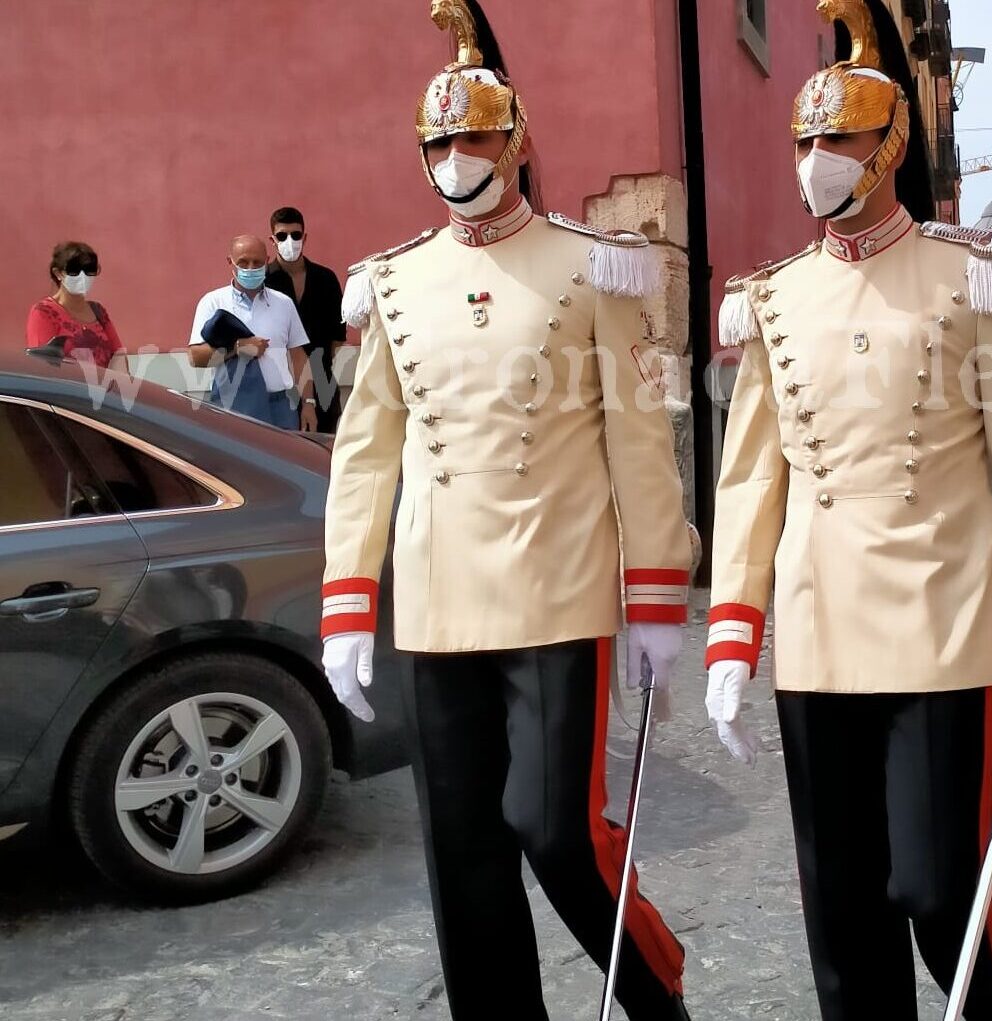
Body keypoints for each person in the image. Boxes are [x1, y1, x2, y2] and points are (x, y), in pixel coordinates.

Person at [318, 4, 691, 1019]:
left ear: (517, 139)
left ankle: (655, 995)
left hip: (556, 592)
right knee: (462, 848)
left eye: (473, 134)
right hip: (437, 602)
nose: (454, 155)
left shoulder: (590, 266)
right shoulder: (391, 283)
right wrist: (348, 604)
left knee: (553, 828)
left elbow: (637, 444)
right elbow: (365, 453)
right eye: (437, 139)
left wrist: (657, 591)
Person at [705, 2, 992, 1016]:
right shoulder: (773, 298)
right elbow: (749, 480)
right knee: (841, 909)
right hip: (818, 632)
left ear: (890, 145)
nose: (817, 159)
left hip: (939, 628)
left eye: (840, 138)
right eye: (804, 141)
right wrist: (732, 635)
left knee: (936, 888)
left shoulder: (971, 279)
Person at [188, 234, 314, 430]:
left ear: (267, 262)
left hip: (281, 407)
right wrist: (237, 348)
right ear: (230, 262)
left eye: (257, 263)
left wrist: (309, 404)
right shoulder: (213, 303)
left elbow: (299, 357)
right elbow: (196, 357)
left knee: (282, 459)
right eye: (243, 262)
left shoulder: (283, 303)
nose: (250, 268)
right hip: (233, 407)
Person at [265, 206, 346, 433]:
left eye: (295, 235)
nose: (289, 240)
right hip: (279, 386)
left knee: (322, 455)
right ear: (273, 240)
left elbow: (338, 337)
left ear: (304, 237)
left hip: (323, 382)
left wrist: (316, 364)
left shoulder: (325, 279)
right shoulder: (264, 281)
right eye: (282, 236)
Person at [25, 241, 127, 372]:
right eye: (74, 271)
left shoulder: (98, 311)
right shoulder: (44, 313)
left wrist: (116, 384)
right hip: (68, 389)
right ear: (58, 273)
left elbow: (118, 354)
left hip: (103, 389)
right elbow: (43, 365)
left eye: (89, 271)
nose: (82, 277)